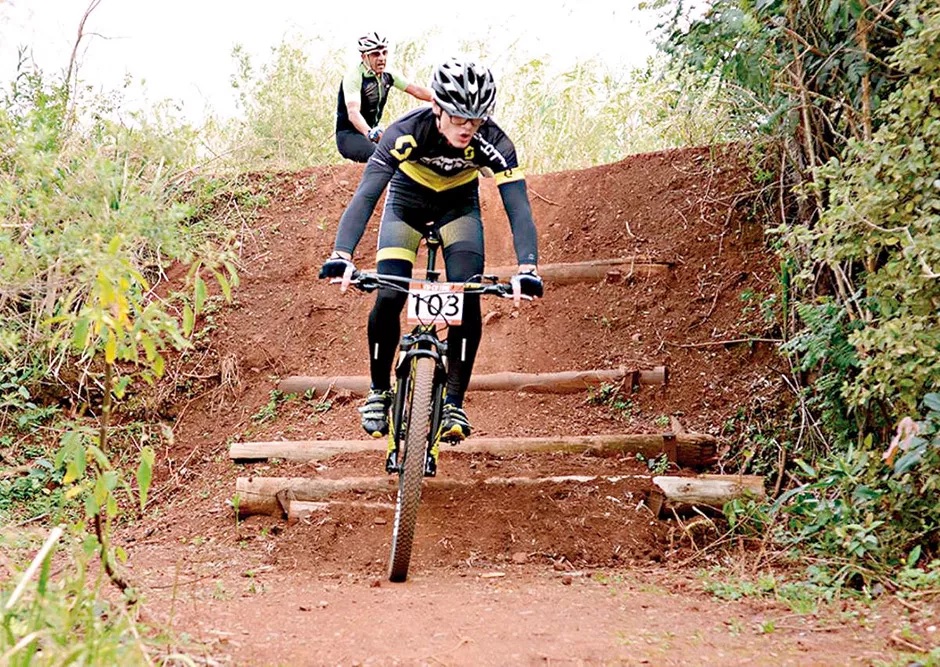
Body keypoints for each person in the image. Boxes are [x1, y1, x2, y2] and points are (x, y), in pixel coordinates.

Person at [319, 57, 544, 451]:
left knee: (467, 293)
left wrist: (528, 267)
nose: (467, 127)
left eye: (475, 119)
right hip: (406, 202)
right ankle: (378, 390)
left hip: (458, 207)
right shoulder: (406, 131)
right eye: (458, 117)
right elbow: (369, 192)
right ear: (437, 107)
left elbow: (518, 207)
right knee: (389, 293)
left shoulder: (495, 142)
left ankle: (454, 402)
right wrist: (342, 253)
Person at [335, 32, 432, 163]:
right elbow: (353, 113)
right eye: (376, 54)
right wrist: (370, 133)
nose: (381, 58)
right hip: (349, 136)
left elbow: (416, 90)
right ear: (364, 57)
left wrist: (446, 99)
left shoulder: (388, 75)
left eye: (384, 53)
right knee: (383, 157)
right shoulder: (354, 77)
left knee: (407, 154)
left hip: (373, 132)